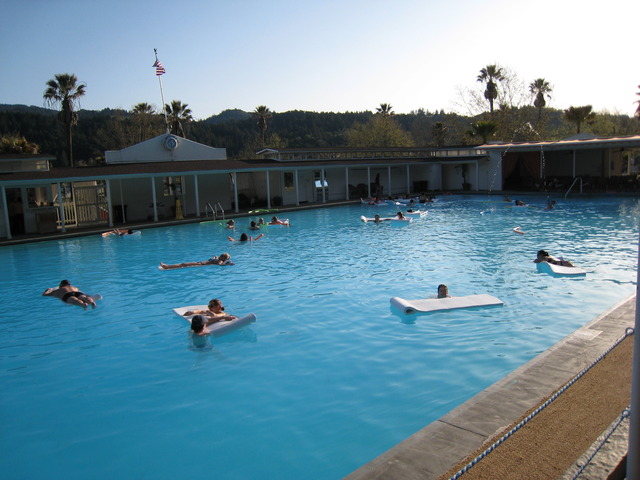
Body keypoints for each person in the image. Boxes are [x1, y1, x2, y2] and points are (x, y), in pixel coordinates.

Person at [160, 253, 234, 270]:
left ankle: (167, 266)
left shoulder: (220, 261)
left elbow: (220, 265)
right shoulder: (218, 259)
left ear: (223, 258)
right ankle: (167, 266)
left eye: (221, 256)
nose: (220, 256)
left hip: (200, 264)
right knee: (183, 264)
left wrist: (227, 264)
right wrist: (214, 257)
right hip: (199, 263)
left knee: (184, 264)